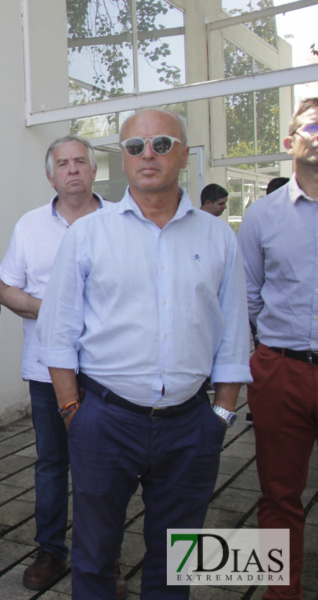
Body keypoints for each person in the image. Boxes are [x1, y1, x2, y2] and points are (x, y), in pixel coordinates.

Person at [38, 109, 251, 599]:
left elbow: (234, 334)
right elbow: (58, 334)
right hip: (105, 421)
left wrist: (221, 413)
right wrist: (74, 411)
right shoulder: (89, 234)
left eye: (160, 144)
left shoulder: (218, 236)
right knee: (93, 555)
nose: (147, 155)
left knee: (179, 557)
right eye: (135, 147)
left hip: (191, 423)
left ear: (184, 153)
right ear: (123, 158)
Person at [0, 135, 112, 592]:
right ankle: (50, 550)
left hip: (108, 372)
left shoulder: (120, 220)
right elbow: (6, 289)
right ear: (50, 175)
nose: (72, 170)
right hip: (46, 370)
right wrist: (56, 309)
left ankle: (99, 560)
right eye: (62, 164)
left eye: (80, 162)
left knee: (104, 468)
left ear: (94, 169)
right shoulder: (29, 226)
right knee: (51, 463)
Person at [238, 97, 318, 600]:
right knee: (280, 493)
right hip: (282, 370)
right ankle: (280, 591)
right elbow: (248, 296)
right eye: (314, 123)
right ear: (291, 142)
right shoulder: (262, 216)